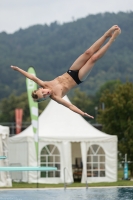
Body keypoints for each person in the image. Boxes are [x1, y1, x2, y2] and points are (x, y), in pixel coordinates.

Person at [11, 25, 121, 119]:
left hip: (71, 71)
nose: (45, 94)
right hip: (78, 78)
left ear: (41, 89)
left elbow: (32, 77)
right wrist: (82, 113)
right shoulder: (56, 97)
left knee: (88, 53)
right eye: (44, 97)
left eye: (42, 92)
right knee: (93, 59)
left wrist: (18, 69)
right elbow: (70, 106)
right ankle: (112, 40)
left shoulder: (44, 84)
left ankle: (106, 35)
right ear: (44, 99)